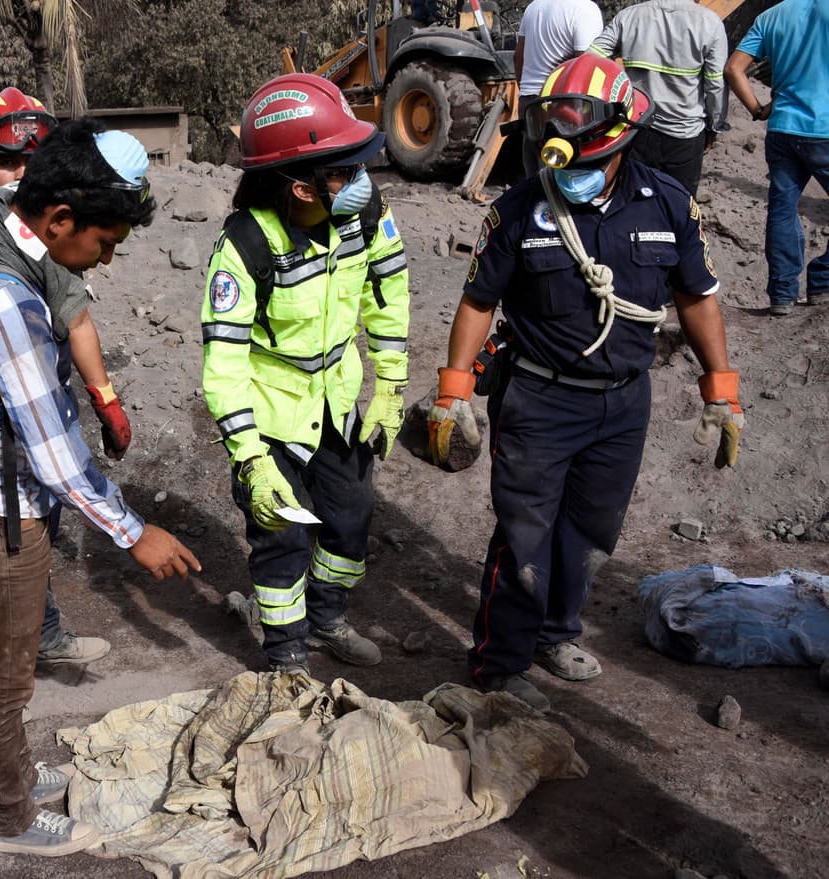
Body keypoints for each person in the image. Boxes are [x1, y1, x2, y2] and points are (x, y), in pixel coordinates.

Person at [429, 55, 742, 712]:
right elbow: (480, 300)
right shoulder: (518, 210)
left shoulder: (669, 205)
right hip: (538, 399)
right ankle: (499, 663)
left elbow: (698, 297)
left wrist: (722, 387)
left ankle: (554, 633)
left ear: (619, 129)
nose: (557, 130)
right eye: (552, 115)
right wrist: (453, 389)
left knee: (589, 531)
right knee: (524, 534)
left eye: (574, 118)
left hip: (624, 403)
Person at [0, 117, 201, 856]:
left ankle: (11, 771)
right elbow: (54, 455)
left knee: (8, 665)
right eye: (103, 243)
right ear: (60, 218)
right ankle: (10, 819)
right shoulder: (5, 304)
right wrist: (134, 532)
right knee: (2, 678)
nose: (104, 261)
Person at [200, 73, 412, 675]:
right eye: (345, 167)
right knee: (281, 536)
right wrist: (249, 457)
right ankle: (287, 651)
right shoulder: (246, 243)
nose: (363, 180)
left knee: (350, 521)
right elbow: (224, 361)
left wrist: (390, 386)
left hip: (338, 402)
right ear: (300, 185)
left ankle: (327, 618)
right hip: (272, 414)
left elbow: (387, 293)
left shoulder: (365, 211)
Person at [0, 87, 130, 670]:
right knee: (17, 533)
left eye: (28, 163)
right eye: (7, 163)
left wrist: (105, 397)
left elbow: (77, 320)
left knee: (22, 532)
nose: (17, 174)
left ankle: (25, 633)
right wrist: (133, 533)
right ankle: (29, 643)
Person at [724, 0, 829, 316]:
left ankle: (782, 294)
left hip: (782, 129)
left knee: (783, 210)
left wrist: (757, 109)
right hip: (824, 130)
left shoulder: (771, 15)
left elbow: (732, 69)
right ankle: (823, 280)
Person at [588, 0, 728, 195]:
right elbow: (716, 85)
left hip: (636, 128)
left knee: (631, 201)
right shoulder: (710, 23)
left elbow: (591, 58)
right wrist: (714, 126)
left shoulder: (630, 16)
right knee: (679, 207)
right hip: (684, 135)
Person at [515, 0, 604, 175]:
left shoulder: (534, 7)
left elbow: (519, 57)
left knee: (534, 177)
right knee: (565, 178)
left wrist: (526, 93)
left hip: (529, 101)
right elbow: (587, 66)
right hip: (562, 104)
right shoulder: (584, 9)